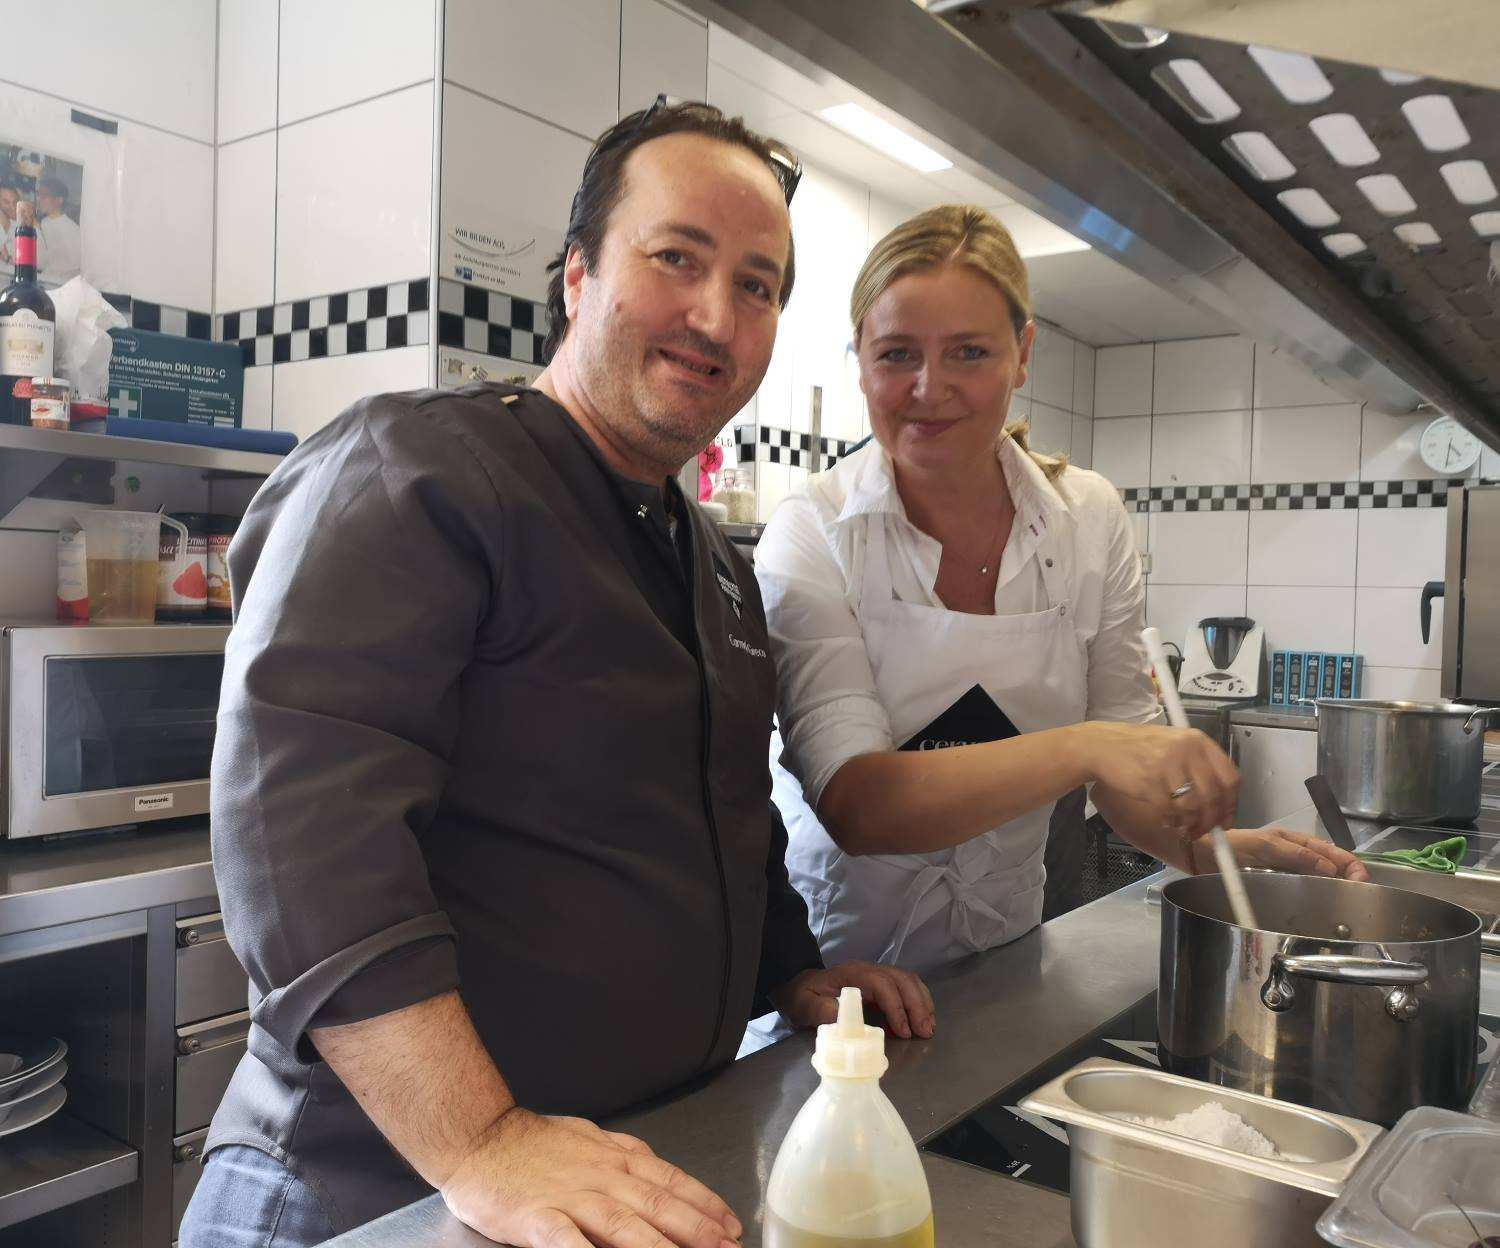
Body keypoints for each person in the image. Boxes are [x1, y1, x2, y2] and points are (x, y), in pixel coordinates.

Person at [180, 99, 933, 1248]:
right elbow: (299, 834)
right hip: (378, 1190)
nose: (714, 315)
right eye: (676, 257)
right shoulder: (418, 470)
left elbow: (723, 817)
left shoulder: (711, 567)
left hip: (605, 1175)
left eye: (758, 285)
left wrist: (795, 976)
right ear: (577, 274)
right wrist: (483, 1142)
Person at [756, 204, 1368, 976]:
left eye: (969, 352)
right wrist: (1088, 749)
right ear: (861, 362)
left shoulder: (1086, 519)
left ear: (1023, 353)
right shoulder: (813, 530)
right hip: (837, 973)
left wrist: (1220, 852)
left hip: (1003, 959)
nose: (928, 386)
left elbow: (1124, 788)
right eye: (896, 353)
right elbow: (857, 804)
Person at [34, 176, 80, 283]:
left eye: (44, 196)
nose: (38, 200)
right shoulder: (45, 221)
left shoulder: (71, 229)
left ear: (59, 200)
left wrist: (36, 229)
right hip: (44, 280)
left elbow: (41, 262)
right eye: (38, 194)